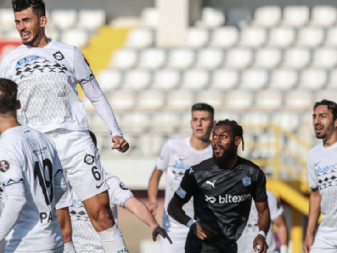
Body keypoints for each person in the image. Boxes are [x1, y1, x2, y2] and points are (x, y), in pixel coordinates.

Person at [0, 0, 129, 253]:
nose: (21, 27)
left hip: (74, 141)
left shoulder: (69, 53)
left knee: (102, 215)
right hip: (39, 147)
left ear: (43, 20)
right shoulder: (11, 60)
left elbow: (96, 95)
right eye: (17, 22)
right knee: (59, 226)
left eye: (26, 20)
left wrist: (115, 132)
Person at [0, 78, 67, 253]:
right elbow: (61, 185)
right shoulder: (43, 138)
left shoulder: (5, 148)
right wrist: (41, 207)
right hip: (54, 240)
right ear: (17, 104)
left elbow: (16, 200)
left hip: (27, 244)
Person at [168, 120, 271, 253]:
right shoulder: (197, 173)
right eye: (214, 136)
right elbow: (173, 207)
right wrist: (193, 224)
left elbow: (263, 210)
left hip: (229, 247)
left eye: (223, 137)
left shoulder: (253, 173)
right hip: (200, 246)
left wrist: (262, 234)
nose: (216, 141)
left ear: (237, 140)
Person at [70, 131, 172, 253]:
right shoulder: (62, 184)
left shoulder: (109, 182)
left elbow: (136, 206)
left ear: (95, 151)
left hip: (104, 249)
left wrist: (153, 224)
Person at [147, 103, 215, 253]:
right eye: (195, 119)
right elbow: (156, 174)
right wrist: (152, 199)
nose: (199, 123)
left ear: (213, 123)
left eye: (204, 119)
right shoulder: (172, 146)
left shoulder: (217, 154)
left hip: (203, 227)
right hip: (173, 226)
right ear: (190, 122)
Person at [304, 99, 337, 253]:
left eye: (322, 116)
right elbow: (315, 194)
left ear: (336, 121)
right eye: (314, 116)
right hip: (326, 232)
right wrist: (310, 233)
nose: (316, 121)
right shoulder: (313, 155)